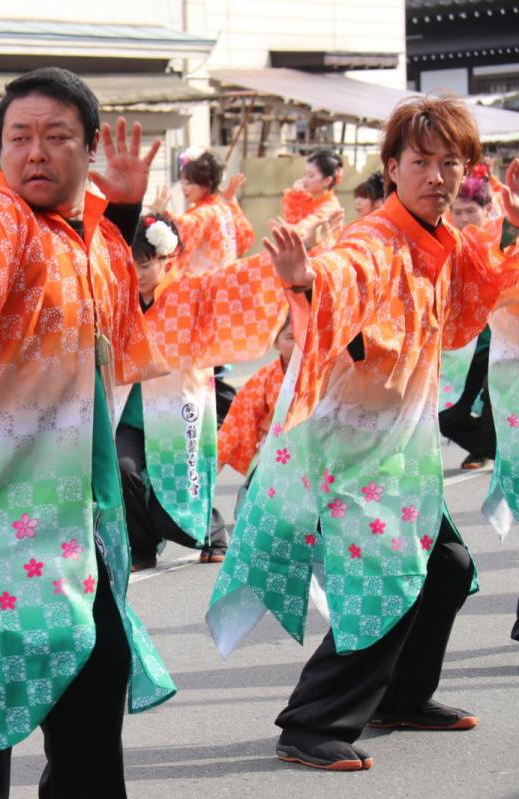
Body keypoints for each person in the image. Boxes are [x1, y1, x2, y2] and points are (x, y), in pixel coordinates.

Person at [0, 66, 292, 797]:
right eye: (19, 137)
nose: (36, 153)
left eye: (57, 137)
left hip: (74, 523)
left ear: (86, 149)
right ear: (0, 153)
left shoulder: (85, 236)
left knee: (94, 678)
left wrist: (122, 207)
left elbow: (103, 270)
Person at [208, 96, 519, 772]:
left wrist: (511, 227)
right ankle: (311, 720)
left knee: (446, 570)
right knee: (388, 578)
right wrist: (307, 278)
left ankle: (400, 696)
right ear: (392, 166)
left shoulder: (441, 237)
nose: (435, 176)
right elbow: (346, 272)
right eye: (420, 162)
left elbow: (472, 299)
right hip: (355, 450)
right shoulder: (378, 239)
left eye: (449, 164)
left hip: (401, 449)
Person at [118, 214, 287, 570]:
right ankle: (141, 546)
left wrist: (274, 265)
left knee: (182, 476)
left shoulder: (189, 292)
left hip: (176, 408)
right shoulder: (119, 299)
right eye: (131, 265)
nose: (138, 274)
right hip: (130, 411)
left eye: (145, 264)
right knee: (122, 468)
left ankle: (211, 534)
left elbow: (234, 283)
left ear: (167, 259)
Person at [440, 170, 500, 470]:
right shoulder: (446, 244)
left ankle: (490, 448)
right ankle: (489, 448)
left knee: (496, 406)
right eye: (457, 211)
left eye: (470, 211)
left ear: (487, 210)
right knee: (445, 415)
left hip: (501, 342)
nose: (463, 218)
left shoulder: (503, 242)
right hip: (462, 347)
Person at [149, 148, 254, 275]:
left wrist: (161, 215)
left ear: (206, 185)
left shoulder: (206, 212)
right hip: (224, 279)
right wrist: (229, 198)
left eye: (189, 183)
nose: (183, 188)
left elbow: (186, 224)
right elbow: (245, 236)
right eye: (182, 182)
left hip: (206, 283)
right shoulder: (223, 207)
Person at [217, 317, 295, 481]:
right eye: (290, 338)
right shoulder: (266, 376)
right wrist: (219, 459)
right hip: (276, 448)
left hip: (314, 449)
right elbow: (241, 416)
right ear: (276, 342)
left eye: (303, 337)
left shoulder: (323, 374)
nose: (298, 344)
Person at [281, 149, 345, 249]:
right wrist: (295, 194)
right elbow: (290, 216)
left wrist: (289, 230)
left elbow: (308, 226)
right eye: (304, 174)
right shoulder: (305, 198)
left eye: (311, 175)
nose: (305, 179)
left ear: (327, 181)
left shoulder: (331, 207)